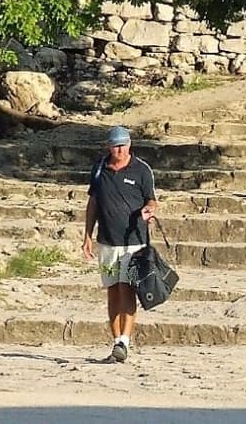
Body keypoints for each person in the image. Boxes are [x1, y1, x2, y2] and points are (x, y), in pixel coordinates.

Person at [82, 125, 157, 363]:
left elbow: (152, 200)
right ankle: (116, 343)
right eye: (116, 145)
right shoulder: (99, 169)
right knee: (112, 290)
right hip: (106, 242)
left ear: (130, 145)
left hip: (134, 243)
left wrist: (149, 210)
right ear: (109, 146)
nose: (120, 149)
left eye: (124, 144)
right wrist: (87, 235)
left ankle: (125, 339)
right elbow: (93, 202)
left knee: (128, 288)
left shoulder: (141, 170)